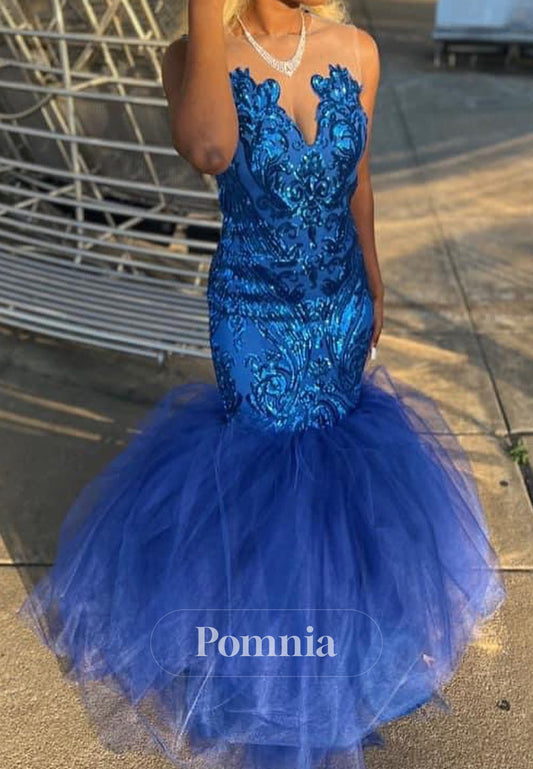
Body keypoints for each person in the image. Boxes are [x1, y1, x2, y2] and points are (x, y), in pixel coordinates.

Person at [19, 2, 506, 769]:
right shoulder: (193, 56)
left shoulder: (357, 49)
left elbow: (357, 181)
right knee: (265, 482)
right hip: (254, 315)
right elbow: (210, 148)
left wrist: (373, 279)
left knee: (338, 478)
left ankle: (341, 642)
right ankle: (270, 666)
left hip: (339, 305)